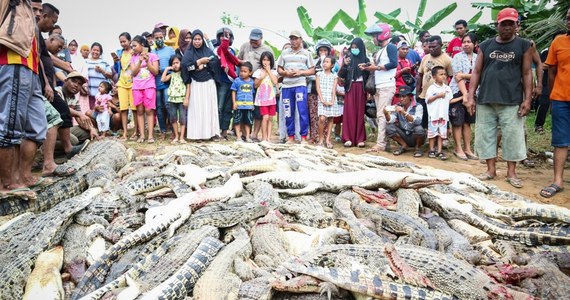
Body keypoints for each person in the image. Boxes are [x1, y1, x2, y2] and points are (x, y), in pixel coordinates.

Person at [466, 8, 533, 188]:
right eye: (504, 24)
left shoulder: (524, 45)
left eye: (511, 24)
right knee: (485, 135)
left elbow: (527, 73)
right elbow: (477, 72)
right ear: (498, 25)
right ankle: (490, 170)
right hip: (486, 98)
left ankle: (511, 173)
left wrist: (527, 100)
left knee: (512, 137)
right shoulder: (486, 45)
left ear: (517, 25)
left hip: (511, 99)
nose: (507, 28)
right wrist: (470, 97)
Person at [0, 0, 47, 196]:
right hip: (13, 61)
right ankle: (7, 183)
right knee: (10, 125)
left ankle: (23, 175)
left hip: (32, 69)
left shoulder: (27, 6)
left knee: (37, 127)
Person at [540, 9, 570, 198]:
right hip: (561, 99)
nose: (569, 21)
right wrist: (551, 96)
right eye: (568, 18)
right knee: (560, 141)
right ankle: (558, 181)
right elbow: (551, 71)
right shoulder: (558, 42)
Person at [362, 23, 398, 153]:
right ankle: (384, 142)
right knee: (381, 114)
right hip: (380, 86)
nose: (373, 39)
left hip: (387, 85)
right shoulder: (380, 51)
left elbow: (394, 63)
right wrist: (368, 66)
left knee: (382, 115)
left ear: (381, 35)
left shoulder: (391, 47)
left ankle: (381, 144)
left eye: (374, 36)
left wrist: (376, 67)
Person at [181, 29, 220, 141]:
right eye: (195, 39)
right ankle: (197, 135)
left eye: (199, 39)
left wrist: (206, 66)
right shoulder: (189, 54)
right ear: (192, 40)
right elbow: (185, 68)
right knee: (197, 110)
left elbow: (215, 63)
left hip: (208, 84)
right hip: (195, 84)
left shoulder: (208, 51)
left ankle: (211, 133)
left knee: (209, 108)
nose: (197, 42)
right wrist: (198, 63)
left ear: (202, 40)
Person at [277, 30, 315, 144]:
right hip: (287, 85)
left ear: (301, 40)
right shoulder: (284, 53)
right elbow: (279, 69)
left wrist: (300, 72)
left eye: (296, 38)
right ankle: (291, 137)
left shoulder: (306, 53)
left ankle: (303, 137)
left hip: (300, 85)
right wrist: (285, 73)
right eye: (291, 39)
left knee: (302, 110)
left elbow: (313, 70)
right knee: (288, 111)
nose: (293, 41)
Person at [238, 28, 272, 142]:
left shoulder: (267, 49)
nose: (253, 42)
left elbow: (272, 66)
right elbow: (238, 60)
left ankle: (255, 134)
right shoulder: (244, 46)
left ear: (261, 39)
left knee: (257, 110)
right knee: (244, 107)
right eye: (251, 40)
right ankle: (244, 133)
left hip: (260, 83)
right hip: (244, 81)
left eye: (256, 40)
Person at [449, 32, 478, 161]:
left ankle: (467, 148)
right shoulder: (457, 57)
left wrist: (466, 76)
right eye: (464, 42)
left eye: (468, 42)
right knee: (457, 121)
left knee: (468, 122)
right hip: (458, 92)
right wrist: (465, 95)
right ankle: (458, 148)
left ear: (475, 44)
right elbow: (457, 77)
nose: (465, 44)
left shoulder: (478, 58)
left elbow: (481, 76)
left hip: (474, 93)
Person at [416, 35, 453, 129]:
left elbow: (452, 78)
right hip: (425, 95)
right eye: (429, 47)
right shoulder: (425, 58)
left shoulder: (447, 60)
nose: (431, 49)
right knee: (424, 119)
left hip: (440, 96)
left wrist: (448, 93)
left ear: (440, 46)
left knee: (440, 118)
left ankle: (442, 138)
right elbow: (420, 75)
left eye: (434, 47)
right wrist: (418, 92)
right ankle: (428, 138)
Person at [338, 38, 369, 148]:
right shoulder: (348, 58)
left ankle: (360, 139)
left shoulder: (366, 59)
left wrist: (366, 68)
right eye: (353, 47)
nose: (354, 49)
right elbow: (340, 75)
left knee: (360, 113)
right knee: (349, 113)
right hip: (350, 87)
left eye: (357, 47)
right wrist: (344, 65)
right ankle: (348, 138)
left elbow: (369, 77)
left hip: (361, 88)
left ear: (361, 48)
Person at [534, 30, 566, 134]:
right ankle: (539, 125)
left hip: (561, 83)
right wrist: (556, 64)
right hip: (547, 81)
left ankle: (556, 126)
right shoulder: (546, 51)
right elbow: (542, 65)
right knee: (544, 103)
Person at [130, 35, 159, 143]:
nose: (133, 48)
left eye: (135, 45)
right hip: (137, 87)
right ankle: (142, 135)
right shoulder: (133, 58)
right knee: (140, 110)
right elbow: (133, 73)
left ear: (142, 45)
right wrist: (139, 61)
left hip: (149, 86)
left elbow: (155, 72)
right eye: (132, 46)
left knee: (149, 110)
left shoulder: (152, 56)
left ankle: (150, 136)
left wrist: (147, 61)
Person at [385, 86, 425, 157]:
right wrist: (386, 113)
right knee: (388, 127)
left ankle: (417, 147)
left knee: (419, 129)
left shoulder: (418, 106)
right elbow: (391, 120)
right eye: (400, 97)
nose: (401, 99)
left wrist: (404, 113)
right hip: (403, 134)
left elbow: (418, 121)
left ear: (410, 96)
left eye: (404, 96)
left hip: (414, 135)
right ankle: (404, 145)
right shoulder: (397, 106)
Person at [112, 32, 138, 141]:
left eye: (124, 41)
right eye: (121, 42)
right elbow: (116, 68)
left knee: (134, 108)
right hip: (121, 82)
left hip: (132, 82)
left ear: (130, 40)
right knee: (123, 109)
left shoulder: (134, 52)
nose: (123, 44)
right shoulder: (119, 53)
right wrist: (115, 62)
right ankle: (125, 133)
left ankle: (137, 131)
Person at [308, 39, 334, 144]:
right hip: (314, 91)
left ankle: (324, 137)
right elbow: (308, 75)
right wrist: (317, 76)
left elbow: (334, 76)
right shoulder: (314, 62)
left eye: (325, 50)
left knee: (326, 116)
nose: (323, 52)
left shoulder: (332, 62)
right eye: (321, 50)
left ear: (328, 51)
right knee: (314, 115)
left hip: (326, 93)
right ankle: (314, 136)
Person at [215, 27, 239, 140]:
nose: (224, 38)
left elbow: (235, 64)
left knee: (228, 108)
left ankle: (225, 130)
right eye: (222, 36)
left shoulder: (233, 51)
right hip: (222, 83)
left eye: (227, 36)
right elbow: (223, 50)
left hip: (232, 83)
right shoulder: (217, 50)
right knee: (219, 107)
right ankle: (217, 131)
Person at [151, 28, 175, 140]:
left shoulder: (170, 50)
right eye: (157, 38)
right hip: (156, 82)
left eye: (161, 37)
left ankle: (173, 129)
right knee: (159, 107)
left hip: (168, 81)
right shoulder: (151, 52)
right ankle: (163, 131)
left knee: (167, 104)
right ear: (153, 39)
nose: (159, 39)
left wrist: (164, 70)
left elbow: (175, 65)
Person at [425, 66, 452, 160]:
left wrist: (462, 98)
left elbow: (449, 100)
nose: (443, 76)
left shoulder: (447, 88)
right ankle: (431, 149)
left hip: (443, 116)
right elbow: (428, 100)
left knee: (441, 134)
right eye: (441, 74)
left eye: (444, 74)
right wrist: (438, 96)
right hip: (434, 115)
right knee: (432, 133)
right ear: (434, 77)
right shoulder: (431, 88)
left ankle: (439, 150)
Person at [161, 54, 187, 144]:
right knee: (173, 118)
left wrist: (187, 98)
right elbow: (163, 79)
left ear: (181, 63)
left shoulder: (184, 73)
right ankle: (176, 136)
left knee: (182, 118)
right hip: (172, 99)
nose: (175, 65)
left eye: (177, 62)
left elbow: (188, 85)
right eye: (173, 63)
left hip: (182, 99)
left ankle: (182, 137)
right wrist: (167, 69)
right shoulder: (171, 74)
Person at [316, 55, 340, 149]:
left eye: (327, 62)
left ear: (332, 65)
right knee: (322, 118)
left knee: (330, 119)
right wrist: (321, 99)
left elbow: (334, 89)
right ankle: (321, 139)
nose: (325, 63)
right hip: (322, 98)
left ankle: (328, 139)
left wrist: (332, 100)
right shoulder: (319, 74)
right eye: (324, 61)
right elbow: (318, 87)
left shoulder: (334, 76)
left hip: (331, 99)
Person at [253, 51, 278, 142]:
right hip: (262, 99)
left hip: (271, 99)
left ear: (271, 61)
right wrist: (262, 76)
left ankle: (268, 138)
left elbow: (275, 82)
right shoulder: (258, 72)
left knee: (270, 118)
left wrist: (268, 71)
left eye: (267, 60)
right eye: (264, 60)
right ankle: (263, 137)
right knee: (265, 117)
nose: (265, 62)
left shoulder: (274, 72)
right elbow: (255, 85)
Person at [83, 42, 113, 109]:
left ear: (101, 52)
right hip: (90, 93)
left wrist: (102, 71)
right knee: (91, 112)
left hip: (103, 95)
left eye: (97, 50)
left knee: (102, 111)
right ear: (91, 50)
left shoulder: (104, 62)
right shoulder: (86, 61)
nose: (95, 52)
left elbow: (111, 75)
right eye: (94, 50)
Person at [231, 62, 255, 142]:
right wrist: (234, 103)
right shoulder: (237, 81)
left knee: (248, 122)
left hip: (248, 106)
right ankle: (238, 137)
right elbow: (233, 92)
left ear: (250, 72)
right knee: (237, 121)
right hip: (239, 105)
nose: (242, 73)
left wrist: (253, 104)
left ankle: (247, 137)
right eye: (241, 71)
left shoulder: (252, 82)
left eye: (245, 71)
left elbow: (252, 94)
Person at [393, 40, 416, 105]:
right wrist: (402, 71)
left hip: (407, 90)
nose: (405, 51)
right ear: (398, 49)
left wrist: (412, 69)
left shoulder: (408, 61)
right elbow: (392, 76)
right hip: (398, 90)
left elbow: (412, 75)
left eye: (407, 49)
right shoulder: (394, 61)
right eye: (403, 49)